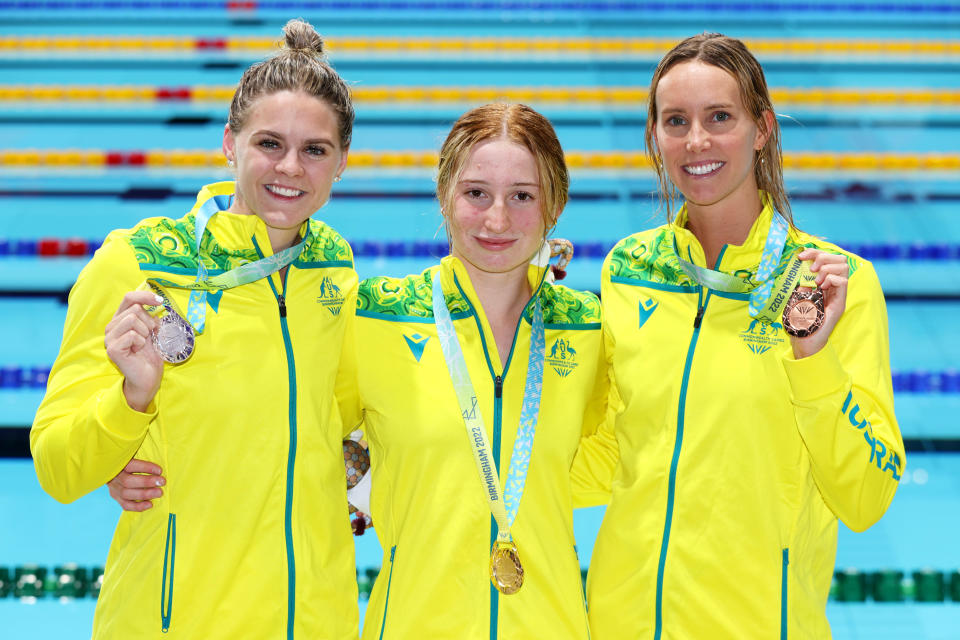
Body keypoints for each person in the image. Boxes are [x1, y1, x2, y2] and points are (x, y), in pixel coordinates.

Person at [110, 103, 613, 639]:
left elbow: (630, 454)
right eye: (476, 193)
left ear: (554, 205)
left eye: (523, 195)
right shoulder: (377, 316)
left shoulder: (589, 330)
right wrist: (139, 446)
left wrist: (475, 485)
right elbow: (285, 416)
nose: (497, 219)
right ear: (445, 196)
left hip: (553, 623)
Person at [31, 19, 361, 639]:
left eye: (314, 150)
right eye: (269, 143)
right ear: (229, 142)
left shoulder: (336, 275)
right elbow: (55, 465)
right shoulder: (139, 262)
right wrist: (130, 407)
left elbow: (344, 426)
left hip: (317, 620)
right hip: (175, 620)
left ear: (341, 162)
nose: (290, 168)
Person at [577, 33, 905, 639]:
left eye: (719, 117)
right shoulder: (628, 271)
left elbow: (867, 496)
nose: (696, 141)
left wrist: (812, 359)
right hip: (620, 622)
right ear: (655, 137)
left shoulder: (834, 284)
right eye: (676, 121)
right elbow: (617, 451)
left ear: (763, 129)